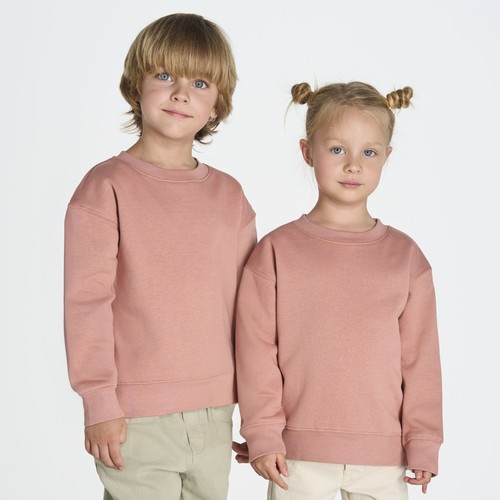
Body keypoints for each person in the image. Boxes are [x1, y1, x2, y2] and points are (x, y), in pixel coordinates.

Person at [64, 13, 256, 500]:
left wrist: (259, 414)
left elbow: (253, 313)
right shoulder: (105, 188)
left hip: (217, 412)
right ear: (137, 85)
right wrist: (99, 401)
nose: (180, 94)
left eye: (199, 83)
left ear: (217, 104)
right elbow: (87, 304)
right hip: (135, 416)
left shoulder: (230, 197)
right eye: (165, 75)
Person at [234, 81, 443, 499]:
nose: (353, 165)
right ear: (307, 151)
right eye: (336, 149)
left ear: (386, 157)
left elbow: (421, 361)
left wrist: (423, 441)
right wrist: (263, 433)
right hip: (296, 456)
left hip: (384, 459)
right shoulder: (275, 252)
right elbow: (256, 352)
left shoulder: (406, 258)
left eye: (369, 152)